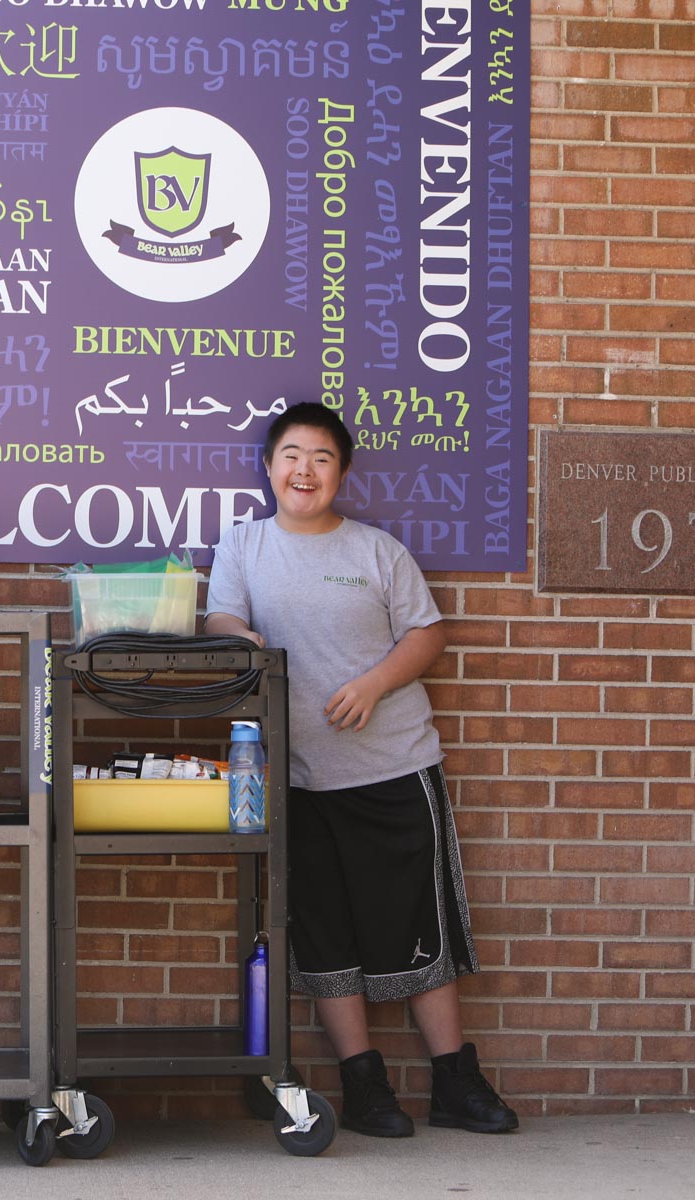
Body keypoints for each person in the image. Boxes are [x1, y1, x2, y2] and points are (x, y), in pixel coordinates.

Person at [203, 402, 517, 1138]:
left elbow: (428, 634)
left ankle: (453, 1082)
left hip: (393, 769)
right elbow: (219, 617)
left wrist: (375, 683)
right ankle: (365, 1087)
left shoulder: (376, 551)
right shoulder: (244, 546)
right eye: (290, 455)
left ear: (340, 472)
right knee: (324, 934)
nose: (303, 470)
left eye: (320, 457)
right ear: (269, 466)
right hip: (299, 777)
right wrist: (238, 633)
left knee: (418, 927)